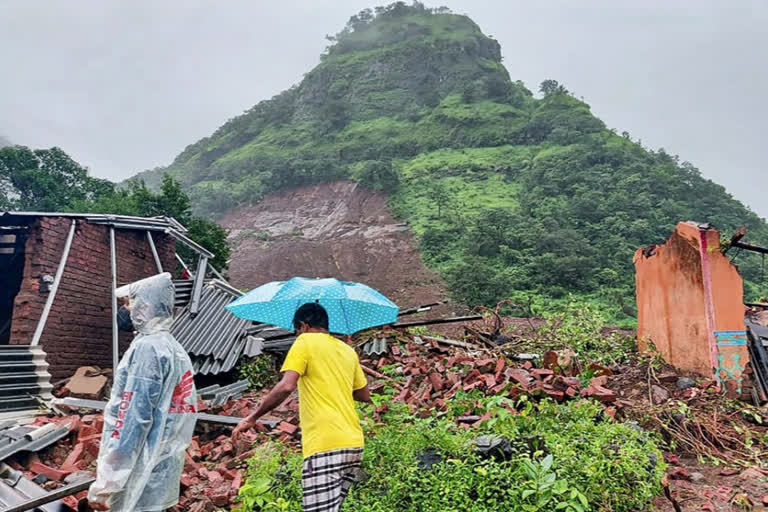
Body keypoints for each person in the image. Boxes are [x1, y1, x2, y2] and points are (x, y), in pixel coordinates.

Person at [232, 302, 371, 512]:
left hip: (325, 445)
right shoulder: (347, 350)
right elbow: (363, 394)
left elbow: (286, 386)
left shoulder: (304, 342)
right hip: (353, 444)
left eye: (296, 330)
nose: (297, 335)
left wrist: (253, 417)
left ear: (304, 326)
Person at [88, 273, 197, 512]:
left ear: (144, 307)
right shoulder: (173, 348)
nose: (124, 309)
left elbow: (132, 419)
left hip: (138, 472)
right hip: (160, 469)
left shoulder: (148, 349)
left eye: (128, 303)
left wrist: (108, 482)